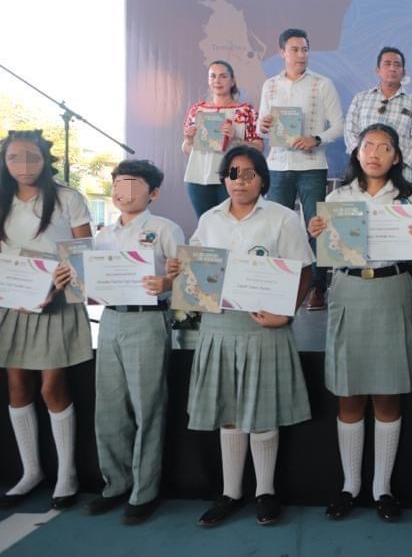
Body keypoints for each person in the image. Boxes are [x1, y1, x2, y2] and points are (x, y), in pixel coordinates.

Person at [167, 145, 314, 527]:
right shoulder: (210, 220)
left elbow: (305, 272)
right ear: (224, 180)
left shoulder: (282, 219)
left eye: (249, 173)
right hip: (220, 326)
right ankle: (230, 493)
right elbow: (194, 268)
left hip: (265, 327)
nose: (240, 180)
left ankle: (265, 493)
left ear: (263, 179)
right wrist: (176, 269)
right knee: (229, 414)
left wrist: (286, 314)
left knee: (263, 413)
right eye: (233, 173)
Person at [307, 123, 412, 523]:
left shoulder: (408, 198)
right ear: (357, 153)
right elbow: (327, 252)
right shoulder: (338, 197)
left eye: (385, 147)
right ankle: (349, 486)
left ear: (396, 156)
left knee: (388, 392)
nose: (375, 153)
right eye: (368, 146)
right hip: (349, 289)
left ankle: (382, 488)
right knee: (349, 392)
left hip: (392, 289)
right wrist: (317, 233)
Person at [84, 160, 184, 524]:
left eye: (133, 184)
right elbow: (93, 280)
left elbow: (187, 276)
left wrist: (168, 284)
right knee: (109, 408)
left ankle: (145, 490)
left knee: (148, 407)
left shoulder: (166, 229)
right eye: (118, 184)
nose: (123, 191)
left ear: (153, 193)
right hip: (110, 319)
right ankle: (115, 483)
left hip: (148, 321)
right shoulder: (102, 235)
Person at [0, 129, 92, 509]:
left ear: (45, 160)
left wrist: (53, 289)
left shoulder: (68, 198)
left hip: (57, 301)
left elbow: (82, 252)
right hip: (12, 303)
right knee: (17, 386)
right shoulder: (2, 198)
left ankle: (67, 474)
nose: (24, 166)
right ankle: (31, 471)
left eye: (32, 158)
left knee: (52, 388)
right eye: (14, 158)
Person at [257, 28, 344, 311]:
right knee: (276, 227)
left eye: (305, 49)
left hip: (312, 166)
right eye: (294, 49)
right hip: (278, 166)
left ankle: (318, 289)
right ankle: (277, 287)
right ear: (282, 52)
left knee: (316, 229)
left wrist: (316, 139)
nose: (300, 54)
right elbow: (261, 125)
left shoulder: (323, 84)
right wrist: (264, 126)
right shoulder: (269, 85)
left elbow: (339, 125)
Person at [181, 60, 262, 218]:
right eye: (213, 76)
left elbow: (258, 148)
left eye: (223, 76)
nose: (217, 81)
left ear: (233, 80)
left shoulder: (246, 111)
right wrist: (189, 140)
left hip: (235, 178)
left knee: (233, 226)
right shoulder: (198, 109)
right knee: (205, 226)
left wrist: (236, 140)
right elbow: (186, 149)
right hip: (198, 177)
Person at [343, 47, 412, 183]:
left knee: (399, 204)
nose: (392, 68)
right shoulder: (361, 98)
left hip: (400, 172)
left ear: (403, 72)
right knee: (359, 203)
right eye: (387, 64)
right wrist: (363, 158)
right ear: (378, 70)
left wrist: (397, 161)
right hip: (363, 170)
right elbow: (349, 130)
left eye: (397, 65)